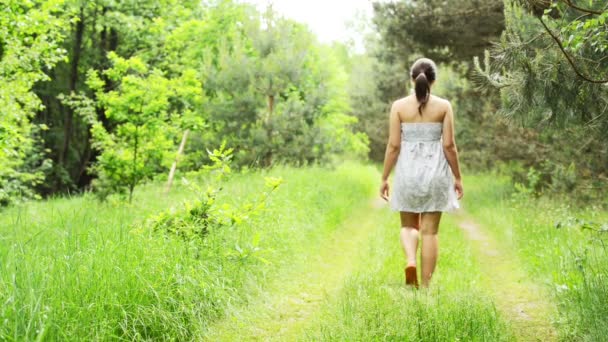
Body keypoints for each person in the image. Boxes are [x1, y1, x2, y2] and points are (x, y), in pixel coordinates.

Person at [379, 58, 463, 289]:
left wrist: (385, 177)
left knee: (408, 226)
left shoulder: (398, 107)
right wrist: (457, 177)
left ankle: (410, 261)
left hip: (407, 173)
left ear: (411, 79)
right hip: (435, 173)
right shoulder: (444, 107)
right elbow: (449, 146)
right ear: (433, 81)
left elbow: (393, 146)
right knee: (429, 232)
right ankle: (425, 288)